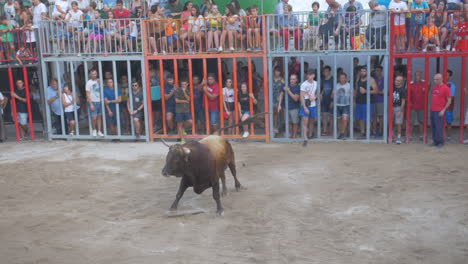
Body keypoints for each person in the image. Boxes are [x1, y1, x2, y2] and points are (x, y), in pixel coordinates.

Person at [354, 67, 378, 138]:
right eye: (361, 71)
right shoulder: (358, 79)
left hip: (367, 103)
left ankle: (369, 132)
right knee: (360, 118)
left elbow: (376, 91)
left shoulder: (371, 79)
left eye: (364, 71)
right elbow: (356, 90)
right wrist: (354, 100)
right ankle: (363, 133)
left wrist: (366, 91)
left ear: (367, 72)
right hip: (359, 102)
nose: (362, 72)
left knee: (368, 118)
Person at [430, 73, 452, 148]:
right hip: (433, 110)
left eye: (437, 79)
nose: (435, 81)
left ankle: (440, 142)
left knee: (439, 127)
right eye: (434, 79)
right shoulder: (435, 87)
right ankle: (435, 141)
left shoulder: (446, 88)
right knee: (433, 126)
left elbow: (449, 101)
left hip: (439, 110)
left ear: (442, 79)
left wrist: (443, 110)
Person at [278, 74, 300, 138]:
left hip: (294, 108)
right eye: (291, 79)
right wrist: (279, 104)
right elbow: (281, 95)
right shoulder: (285, 85)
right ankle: (290, 135)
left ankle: (294, 135)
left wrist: (288, 91)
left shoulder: (298, 87)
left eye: (293, 79)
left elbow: (296, 99)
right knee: (288, 122)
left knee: (295, 122)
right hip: (286, 107)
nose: (292, 80)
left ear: (296, 80)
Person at [300, 70, 318, 147]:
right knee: (305, 122)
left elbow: (317, 92)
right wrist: (304, 107)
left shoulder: (316, 83)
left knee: (312, 121)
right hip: (306, 105)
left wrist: (315, 97)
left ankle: (310, 134)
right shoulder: (304, 84)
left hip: (313, 105)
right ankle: (305, 139)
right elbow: (301, 96)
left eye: (310, 75)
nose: (308, 76)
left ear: (313, 75)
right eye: (308, 75)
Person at [86, 69, 104, 137]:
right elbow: (87, 94)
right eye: (92, 74)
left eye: (95, 74)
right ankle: (94, 130)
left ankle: (99, 131)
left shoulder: (99, 81)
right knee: (94, 118)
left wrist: (99, 83)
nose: (94, 75)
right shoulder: (88, 83)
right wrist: (91, 104)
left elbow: (102, 89)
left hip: (99, 101)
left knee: (99, 116)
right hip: (93, 102)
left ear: (97, 74)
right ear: (90, 75)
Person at [410, 71, 426, 140]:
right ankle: (410, 135)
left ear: (421, 76)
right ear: (414, 76)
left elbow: (429, 86)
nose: (418, 77)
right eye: (416, 75)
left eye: (419, 75)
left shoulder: (424, 84)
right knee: (411, 122)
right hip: (412, 106)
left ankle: (421, 136)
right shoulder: (411, 84)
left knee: (421, 121)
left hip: (421, 106)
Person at [334, 73, 352, 139]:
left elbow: (353, 94)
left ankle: (342, 133)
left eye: (343, 78)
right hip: (337, 105)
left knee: (345, 119)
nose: (342, 79)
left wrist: (353, 101)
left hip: (346, 105)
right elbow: (333, 94)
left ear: (346, 78)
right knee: (339, 120)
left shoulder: (349, 85)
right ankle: (341, 132)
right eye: (341, 78)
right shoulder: (336, 85)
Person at [174, 78, 192, 142]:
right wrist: (184, 100)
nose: (183, 85)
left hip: (186, 109)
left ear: (187, 84)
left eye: (185, 84)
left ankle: (183, 129)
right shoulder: (178, 90)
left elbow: (189, 99)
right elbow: (176, 100)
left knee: (190, 122)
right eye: (182, 84)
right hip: (179, 110)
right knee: (179, 124)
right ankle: (182, 139)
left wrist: (184, 92)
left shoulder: (188, 90)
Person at [392, 76, 407, 144]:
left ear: (401, 82)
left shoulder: (403, 90)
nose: (396, 81)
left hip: (399, 107)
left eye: (398, 81)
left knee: (398, 123)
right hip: (393, 107)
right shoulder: (394, 88)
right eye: (396, 80)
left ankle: (399, 137)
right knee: (393, 122)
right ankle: (392, 136)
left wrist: (400, 111)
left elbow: (403, 101)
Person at [372, 65, 385, 137]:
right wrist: (377, 91)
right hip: (373, 100)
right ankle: (374, 131)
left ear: (381, 71)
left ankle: (380, 131)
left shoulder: (384, 80)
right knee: (374, 116)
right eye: (376, 71)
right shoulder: (374, 80)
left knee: (380, 117)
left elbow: (384, 92)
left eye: (378, 70)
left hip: (380, 100)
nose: (376, 72)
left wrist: (376, 91)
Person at [321, 66, 334, 136]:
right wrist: (321, 95)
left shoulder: (333, 79)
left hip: (331, 100)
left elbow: (335, 90)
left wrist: (333, 100)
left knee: (331, 116)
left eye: (326, 71)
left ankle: (330, 130)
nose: (325, 72)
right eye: (324, 71)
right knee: (324, 116)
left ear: (329, 71)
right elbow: (323, 89)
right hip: (324, 100)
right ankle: (324, 130)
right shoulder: (322, 80)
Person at [272, 66, 285, 135]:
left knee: (280, 114)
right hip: (272, 99)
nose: (277, 72)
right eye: (276, 71)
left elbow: (282, 91)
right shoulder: (271, 79)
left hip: (280, 99)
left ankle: (280, 128)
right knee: (274, 114)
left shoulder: (282, 80)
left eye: (279, 71)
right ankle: (275, 127)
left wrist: (280, 102)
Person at [445, 69, 456, 141]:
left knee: (448, 122)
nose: (445, 76)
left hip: (448, 106)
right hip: (440, 106)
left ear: (450, 76)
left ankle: (448, 137)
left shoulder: (452, 85)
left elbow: (451, 97)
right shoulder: (441, 83)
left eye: (447, 75)